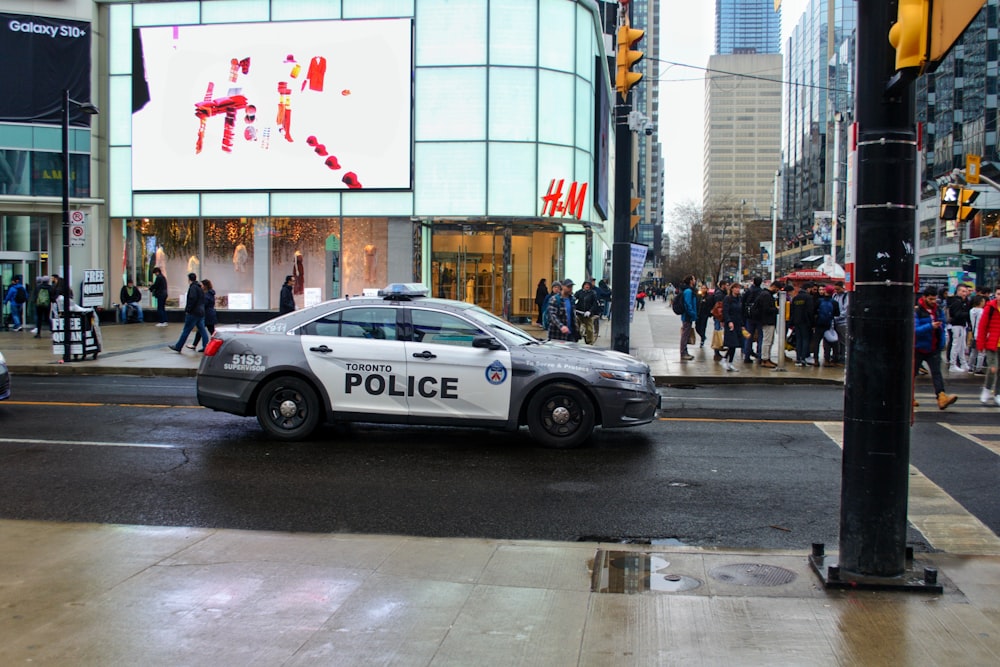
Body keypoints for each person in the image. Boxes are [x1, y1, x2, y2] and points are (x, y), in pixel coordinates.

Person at [914, 286, 958, 410]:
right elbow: (915, 330)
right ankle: (908, 396)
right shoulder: (917, 312)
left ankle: (941, 397)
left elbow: (943, 325)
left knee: (937, 373)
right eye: (931, 299)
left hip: (933, 347)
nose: (933, 301)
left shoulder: (938, 310)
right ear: (924, 298)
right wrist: (930, 326)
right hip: (918, 348)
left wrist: (941, 341)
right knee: (911, 375)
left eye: (935, 299)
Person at [168, 273, 211, 353]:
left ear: (189, 279)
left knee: (186, 330)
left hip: (194, 312)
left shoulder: (193, 288)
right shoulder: (199, 288)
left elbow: (192, 299)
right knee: (202, 330)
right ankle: (206, 346)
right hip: (201, 312)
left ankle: (178, 346)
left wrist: (188, 310)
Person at [975, 286, 1000, 405]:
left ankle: (997, 393)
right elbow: (982, 327)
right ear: (995, 295)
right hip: (992, 344)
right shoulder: (990, 308)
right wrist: (980, 344)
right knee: (993, 368)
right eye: (998, 294)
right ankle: (987, 389)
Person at [753, 280, 782, 368]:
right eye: (777, 289)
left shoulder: (764, 294)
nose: (777, 292)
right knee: (767, 341)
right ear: (774, 287)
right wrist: (777, 309)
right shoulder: (766, 295)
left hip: (766, 320)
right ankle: (765, 359)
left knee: (769, 340)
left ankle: (766, 358)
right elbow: (766, 309)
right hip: (767, 321)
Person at [947, 283, 972, 372]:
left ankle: (962, 363)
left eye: (965, 291)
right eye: (962, 291)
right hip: (957, 325)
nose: (964, 293)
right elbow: (957, 314)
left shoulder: (962, 301)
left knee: (961, 345)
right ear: (958, 291)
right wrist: (968, 313)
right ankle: (953, 364)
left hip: (961, 324)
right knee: (956, 345)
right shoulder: (957, 302)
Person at [789, 282, 815, 366]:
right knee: (805, 340)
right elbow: (810, 311)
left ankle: (798, 358)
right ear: (808, 289)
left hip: (797, 322)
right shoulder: (808, 298)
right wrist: (812, 323)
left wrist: (792, 322)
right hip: (805, 322)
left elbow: (792, 311)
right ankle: (804, 358)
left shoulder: (796, 298)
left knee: (799, 340)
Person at [720, 282, 743, 371]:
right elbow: (725, 311)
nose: (737, 289)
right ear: (732, 289)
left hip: (737, 323)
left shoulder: (739, 299)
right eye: (736, 288)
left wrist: (742, 324)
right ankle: (726, 361)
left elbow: (741, 312)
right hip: (731, 324)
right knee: (732, 343)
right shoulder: (728, 298)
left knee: (735, 344)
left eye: (739, 288)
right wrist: (728, 321)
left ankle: (728, 361)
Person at [816, 285, 841, 366]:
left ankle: (816, 360)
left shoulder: (819, 301)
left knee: (817, 342)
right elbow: (837, 314)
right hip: (829, 324)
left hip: (819, 324)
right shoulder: (834, 302)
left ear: (825, 291)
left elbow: (814, 312)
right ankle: (830, 360)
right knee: (830, 342)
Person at [191, 278, 217, 351]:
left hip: (207, 315)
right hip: (210, 314)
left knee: (204, 330)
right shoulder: (211, 293)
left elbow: (204, 304)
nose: (200, 286)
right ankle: (194, 344)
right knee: (204, 330)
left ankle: (203, 345)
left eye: (202, 285)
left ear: (205, 286)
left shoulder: (206, 295)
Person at [741, 277, 763, 363]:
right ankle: (760, 355)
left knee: (748, 337)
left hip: (749, 317)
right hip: (759, 317)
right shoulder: (762, 292)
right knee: (760, 337)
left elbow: (743, 304)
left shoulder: (748, 292)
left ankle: (747, 355)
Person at [574, 280, 600, 345]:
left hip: (588, 314)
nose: (587, 286)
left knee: (589, 329)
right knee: (575, 327)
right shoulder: (579, 292)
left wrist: (590, 311)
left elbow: (595, 304)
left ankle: (589, 342)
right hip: (579, 313)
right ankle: (575, 339)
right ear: (583, 286)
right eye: (585, 285)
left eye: (588, 285)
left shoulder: (593, 293)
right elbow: (573, 299)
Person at [679, 274, 697, 361]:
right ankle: (683, 352)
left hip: (687, 316)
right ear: (690, 281)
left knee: (686, 334)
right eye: (694, 279)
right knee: (685, 335)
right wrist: (693, 314)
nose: (695, 280)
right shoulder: (688, 291)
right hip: (687, 316)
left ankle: (685, 352)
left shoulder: (688, 291)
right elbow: (688, 304)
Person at [968, 294, 986, 374]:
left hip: (974, 333)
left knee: (973, 352)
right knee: (981, 353)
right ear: (980, 302)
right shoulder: (983, 311)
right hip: (981, 334)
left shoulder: (971, 311)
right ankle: (978, 369)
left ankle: (970, 367)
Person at [832, 281, 849, 364]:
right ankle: (836, 355)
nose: (836, 291)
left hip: (843, 322)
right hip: (835, 321)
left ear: (843, 287)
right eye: (835, 289)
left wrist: (836, 317)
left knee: (843, 341)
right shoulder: (834, 295)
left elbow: (846, 310)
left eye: (838, 289)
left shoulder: (846, 296)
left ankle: (843, 356)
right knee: (836, 341)